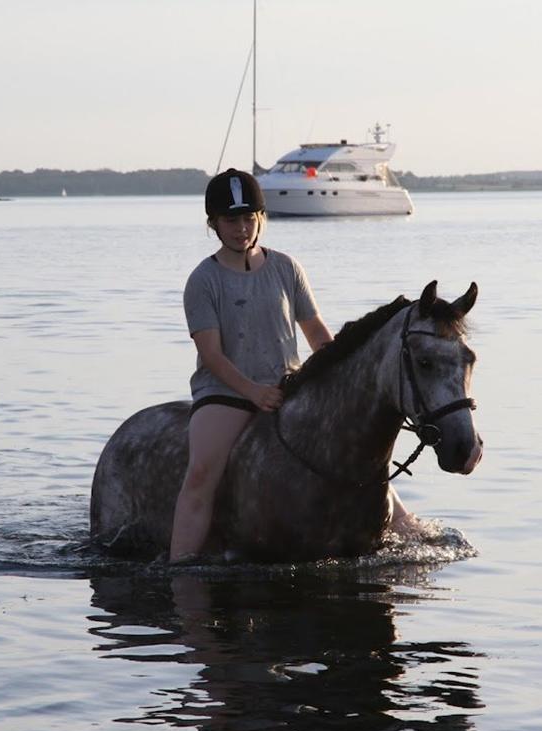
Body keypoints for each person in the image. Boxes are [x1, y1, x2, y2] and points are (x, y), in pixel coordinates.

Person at [170, 168, 417, 562]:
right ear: (213, 224)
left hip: (289, 389)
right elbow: (212, 355)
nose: (241, 228)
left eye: (249, 218)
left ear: (261, 219)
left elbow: (318, 335)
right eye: (231, 220)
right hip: (226, 395)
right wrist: (253, 392)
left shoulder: (287, 268)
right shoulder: (203, 280)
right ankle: (179, 564)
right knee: (201, 474)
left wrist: (341, 385)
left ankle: (411, 530)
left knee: (353, 458)